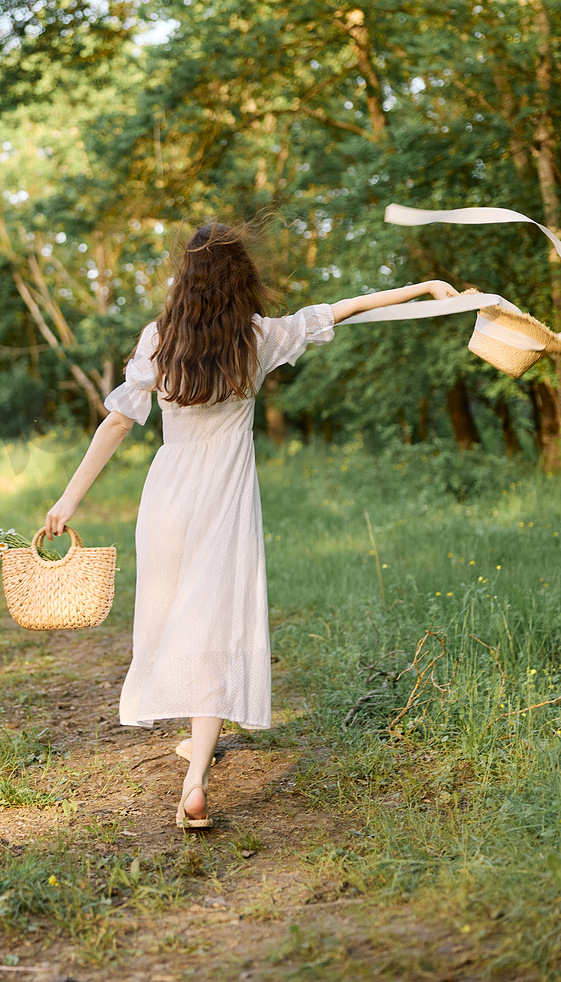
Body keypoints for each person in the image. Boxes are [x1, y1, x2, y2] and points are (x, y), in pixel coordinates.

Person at [44, 223, 458, 828]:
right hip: (226, 497)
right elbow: (340, 310)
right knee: (215, 619)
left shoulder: (159, 341)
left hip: (168, 495)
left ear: (185, 280)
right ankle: (194, 777)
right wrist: (422, 287)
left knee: (172, 611)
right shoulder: (257, 338)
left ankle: (194, 747)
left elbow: (115, 423)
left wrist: (68, 499)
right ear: (243, 281)